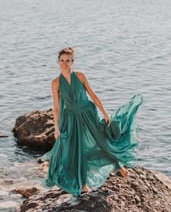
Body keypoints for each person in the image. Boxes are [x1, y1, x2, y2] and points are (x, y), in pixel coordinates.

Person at [42, 47, 143, 196]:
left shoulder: (80, 76)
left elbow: (93, 95)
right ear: (58, 62)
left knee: (100, 140)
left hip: (88, 113)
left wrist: (104, 112)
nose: (65, 63)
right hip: (70, 118)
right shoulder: (55, 83)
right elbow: (56, 107)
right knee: (76, 149)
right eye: (62, 60)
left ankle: (118, 165)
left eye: (68, 61)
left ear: (72, 62)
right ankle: (82, 183)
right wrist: (56, 127)